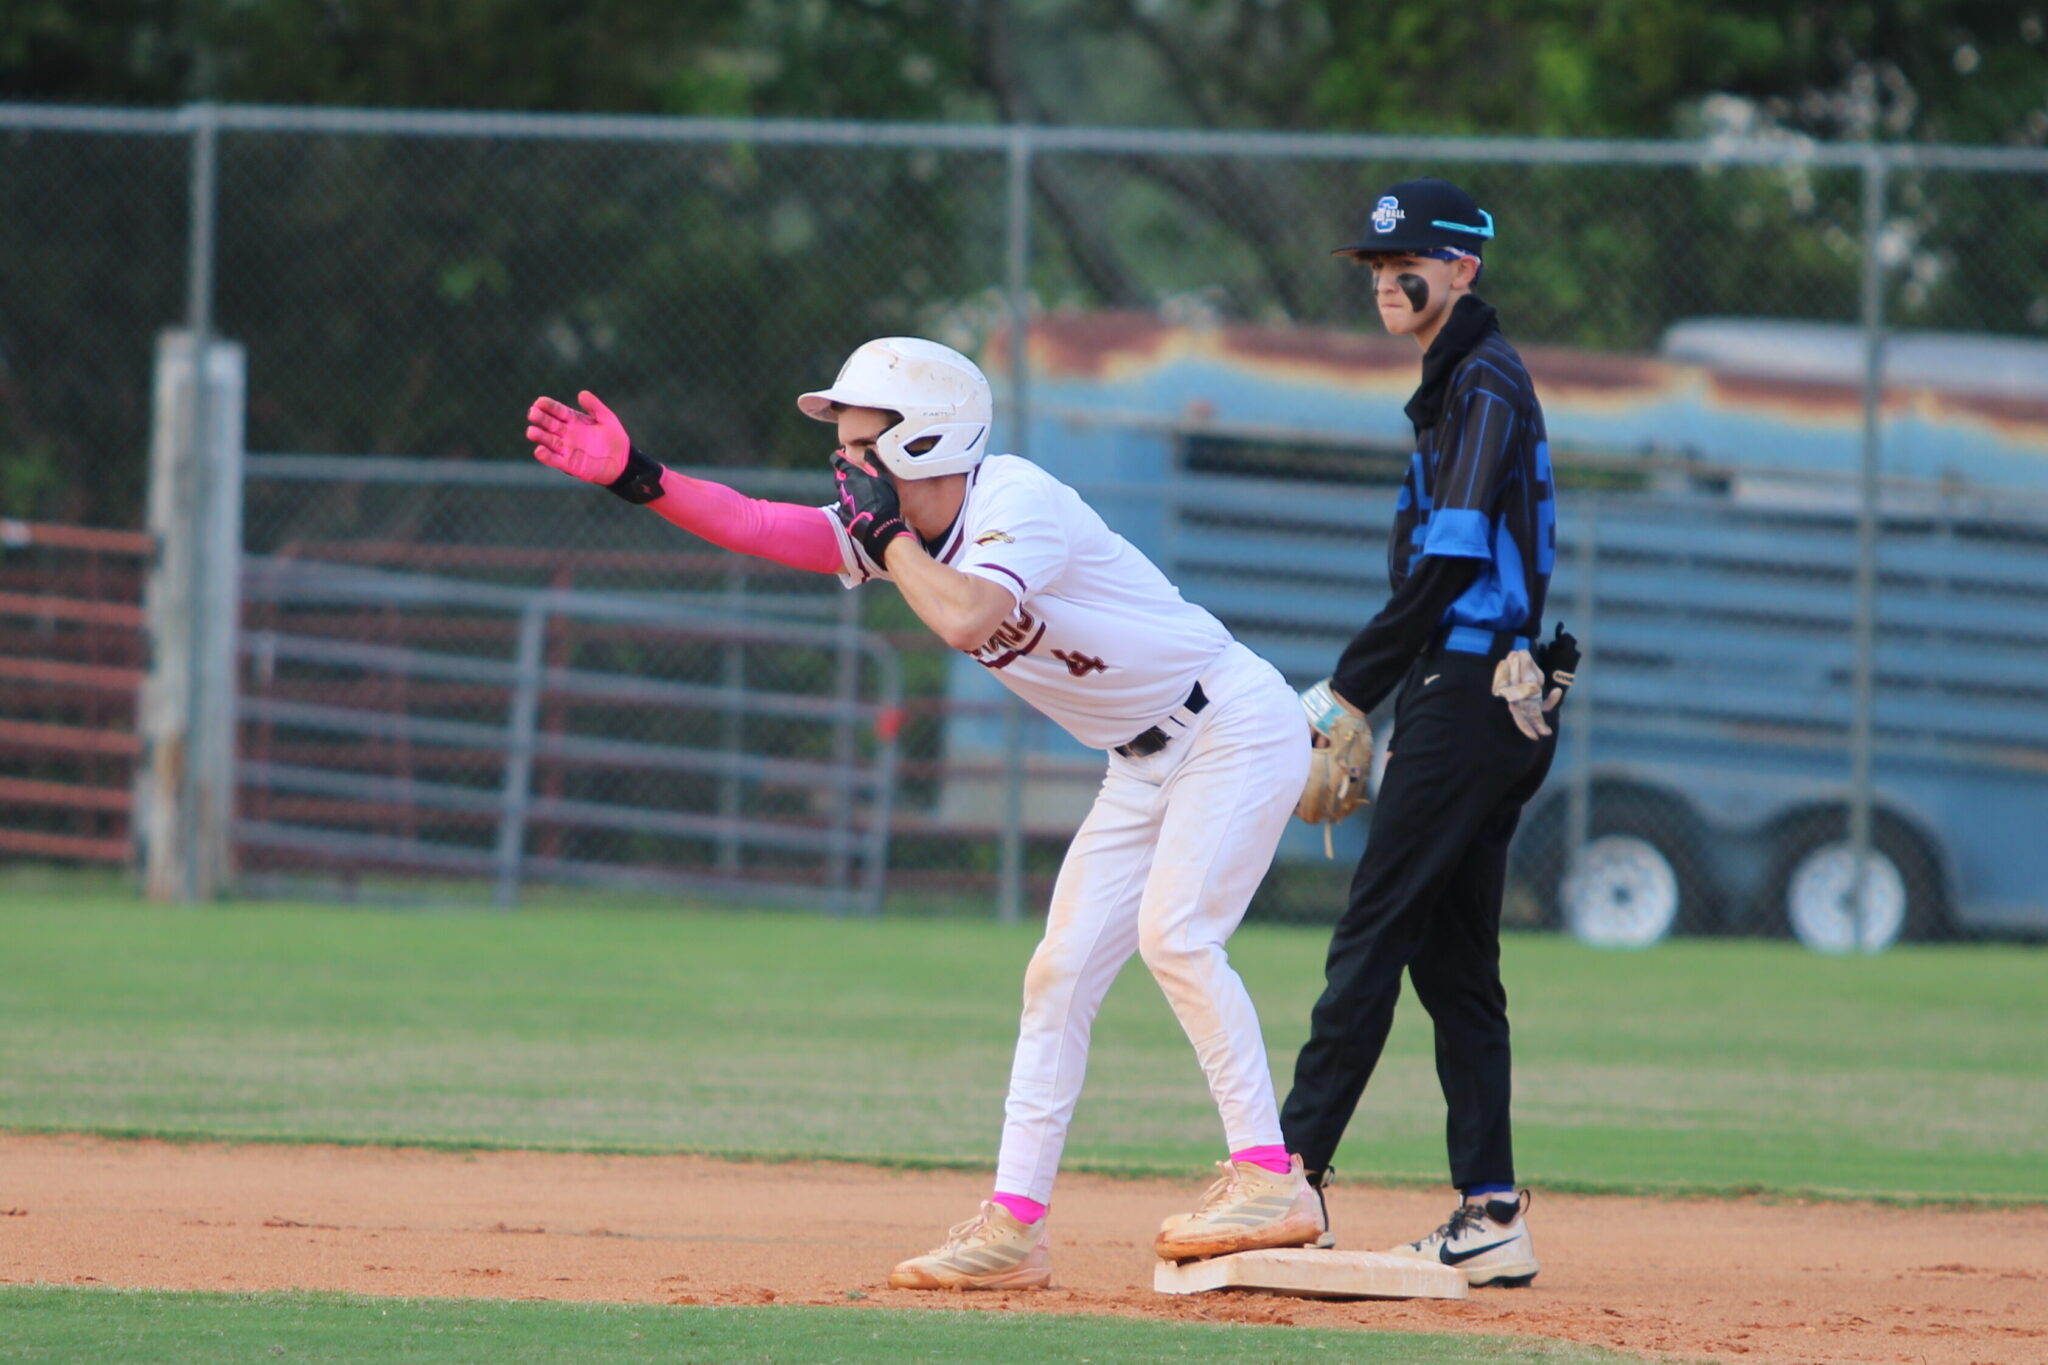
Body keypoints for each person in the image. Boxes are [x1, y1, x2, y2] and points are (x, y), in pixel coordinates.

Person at [524, 336, 1323, 1290]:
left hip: (1230, 721)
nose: (844, 463)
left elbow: (964, 617)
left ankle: (1271, 1180)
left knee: (1177, 935)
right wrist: (637, 477)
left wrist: (885, 540)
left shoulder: (1013, 499)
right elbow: (756, 523)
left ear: (926, 442)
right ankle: (1015, 1230)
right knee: (1057, 974)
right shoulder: (894, 531)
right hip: (1143, 762)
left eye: (862, 443)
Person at [1279, 178, 1571, 1288]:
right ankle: (1489, 1213)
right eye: (1371, 266)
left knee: (1370, 932)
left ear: (1463, 270)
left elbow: (1449, 560)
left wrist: (1352, 690)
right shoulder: (1460, 379)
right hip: (1491, 693)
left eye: (1405, 263)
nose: (1383, 282)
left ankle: (1288, 1174)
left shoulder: (1481, 379)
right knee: (1453, 965)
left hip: (1468, 686)